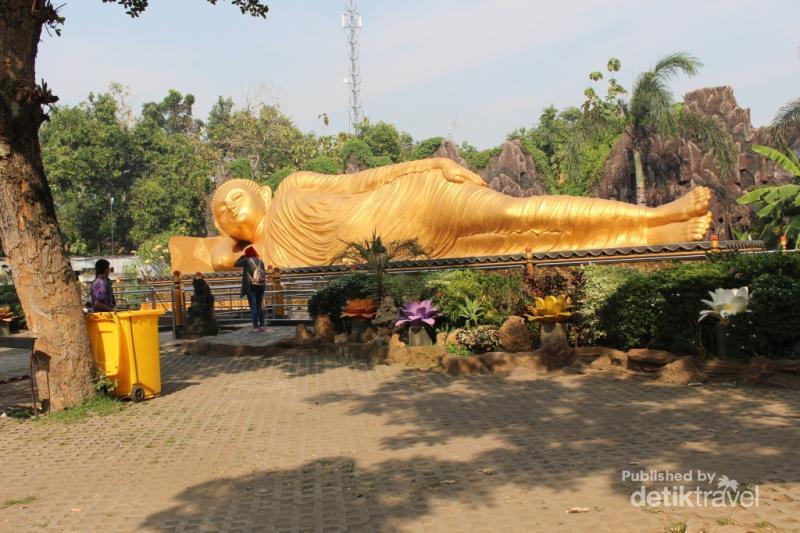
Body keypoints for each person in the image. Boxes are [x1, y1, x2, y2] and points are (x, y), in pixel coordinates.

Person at [168, 157, 713, 272]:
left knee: (517, 212)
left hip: (414, 199)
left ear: (260, 190)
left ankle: (652, 216)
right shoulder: (261, 254)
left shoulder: (290, 187)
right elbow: (201, 260)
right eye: (220, 211)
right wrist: (227, 248)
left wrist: (430, 163)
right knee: (517, 244)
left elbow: (361, 180)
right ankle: (644, 239)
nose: (228, 208)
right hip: (415, 250)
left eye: (234, 196)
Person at [235, 246, 266, 332]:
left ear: (247, 254)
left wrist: (243, 256)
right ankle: (262, 325)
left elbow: (236, 263)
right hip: (261, 285)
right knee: (259, 305)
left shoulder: (246, 261)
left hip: (251, 286)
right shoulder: (261, 261)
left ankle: (255, 327)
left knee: (254, 306)